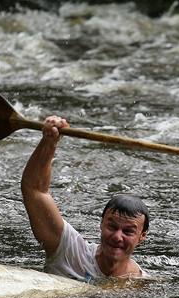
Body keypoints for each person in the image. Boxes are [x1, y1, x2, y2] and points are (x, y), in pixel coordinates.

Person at [21, 115, 149, 283]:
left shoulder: (140, 282)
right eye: (112, 226)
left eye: (128, 231)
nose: (118, 237)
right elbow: (34, 190)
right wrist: (49, 141)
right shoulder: (69, 250)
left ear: (142, 236)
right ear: (101, 224)